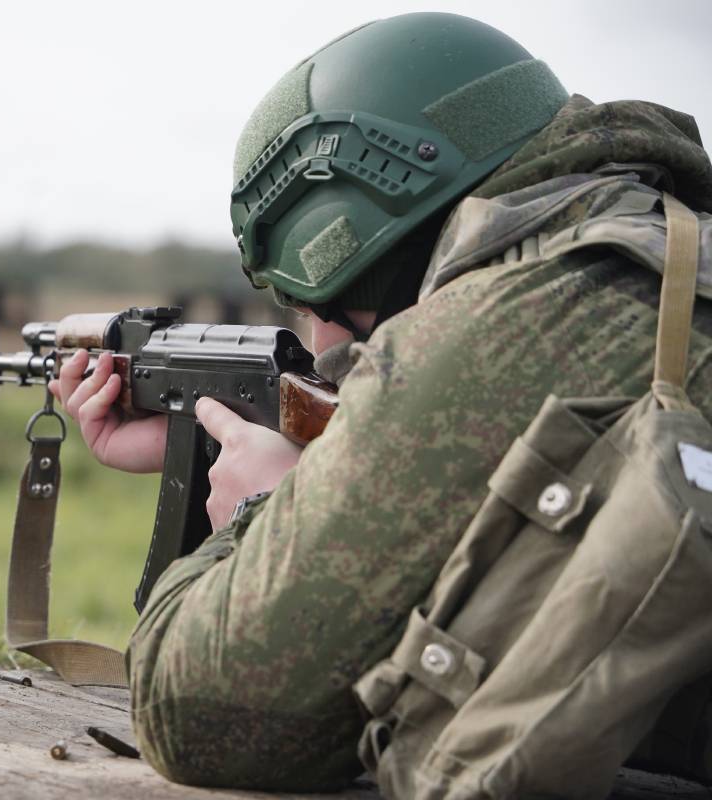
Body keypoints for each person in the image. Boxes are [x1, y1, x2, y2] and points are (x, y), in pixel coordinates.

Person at [49, 12, 712, 792]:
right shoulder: (660, 260)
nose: (320, 339)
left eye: (306, 300)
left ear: (354, 244)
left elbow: (200, 708)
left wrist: (269, 503)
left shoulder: (496, 325)